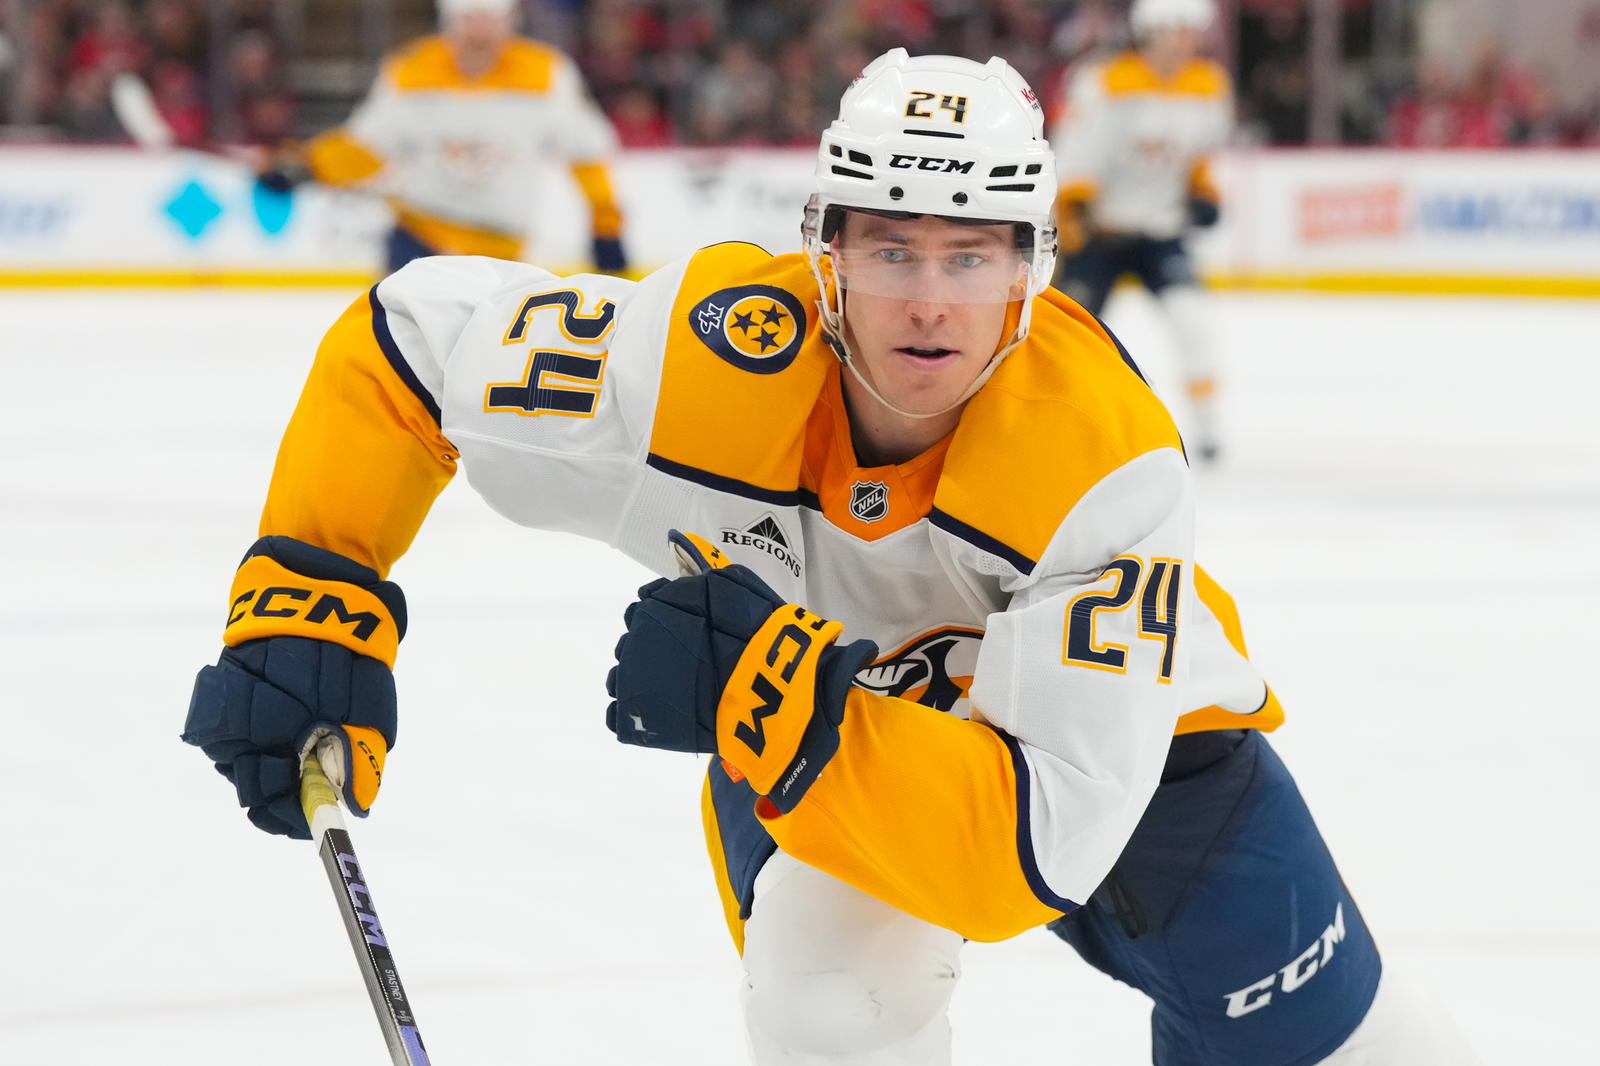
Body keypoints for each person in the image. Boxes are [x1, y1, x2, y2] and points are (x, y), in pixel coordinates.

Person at [182, 48, 1479, 1066]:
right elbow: (410, 343)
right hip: (827, 747)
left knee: (1350, 1050)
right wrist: (316, 589)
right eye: (890, 247)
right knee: (830, 993)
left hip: (1137, 764)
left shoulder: (1103, 464)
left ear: (1030, 271)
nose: (927, 299)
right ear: (826, 254)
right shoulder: (701, 364)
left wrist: (789, 699)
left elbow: (1035, 844)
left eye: (969, 256)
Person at [259, 0, 628, 274]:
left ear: (509, 22)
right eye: (469, 19)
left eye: (490, 19)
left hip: (500, 248)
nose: (480, 31)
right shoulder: (413, 69)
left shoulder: (546, 74)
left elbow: (588, 150)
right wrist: (307, 167)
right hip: (420, 235)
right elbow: (368, 144)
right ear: (449, 22)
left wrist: (605, 225)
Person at [1050, 0, 1231, 460]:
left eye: (1193, 31)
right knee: (1068, 335)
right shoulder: (1105, 79)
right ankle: (1052, 420)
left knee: (1192, 322)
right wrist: (1075, 212)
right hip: (1099, 232)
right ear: (1152, 30)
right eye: (1180, 30)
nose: (1188, 41)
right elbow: (1075, 150)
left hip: (1159, 231)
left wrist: (1204, 193)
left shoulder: (1208, 84)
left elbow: (1200, 158)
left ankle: (1208, 430)